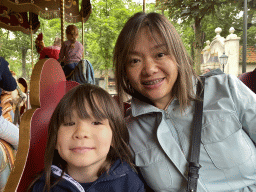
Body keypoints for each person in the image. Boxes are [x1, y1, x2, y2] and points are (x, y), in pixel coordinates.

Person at [113, 12, 256, 191]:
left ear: (178, 56)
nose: (149, 69)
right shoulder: (128, 132)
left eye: (160, 54)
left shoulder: (226, 90)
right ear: (124, 70)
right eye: (135, 60)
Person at [30, 84, 144, 192]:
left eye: (96, 122)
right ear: (55, 139)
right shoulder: (43, 187)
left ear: (114, 137)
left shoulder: (129, 184)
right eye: (69, 123)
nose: (81, 133)